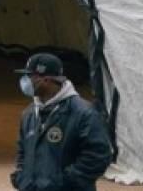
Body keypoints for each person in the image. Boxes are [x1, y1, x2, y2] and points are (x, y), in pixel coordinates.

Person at [11, 52, 112, 191]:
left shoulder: (83, 113)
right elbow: (22, 150)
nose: (25, 81)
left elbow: (99, 155)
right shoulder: (29, 114)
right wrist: (21, 178)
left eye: (30, 76)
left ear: (45, 80)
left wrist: (64, 182)